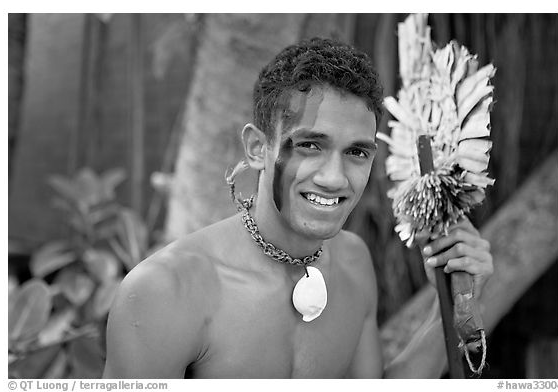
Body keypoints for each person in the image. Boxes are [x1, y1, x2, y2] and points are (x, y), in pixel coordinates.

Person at [102, 37, 493, 379]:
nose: (335, 178)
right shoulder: (164, 291)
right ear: (258, 148)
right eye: (310, 145)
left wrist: (452, 309)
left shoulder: (353, 262)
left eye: (356, 152)